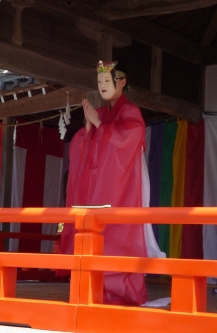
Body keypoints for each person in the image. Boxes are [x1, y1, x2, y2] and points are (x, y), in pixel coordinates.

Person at [59, 60, 162, 306]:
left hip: (124, 182)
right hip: (98, 185)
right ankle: (94, 287)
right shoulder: (101, 112)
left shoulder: (130, 111)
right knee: (96, 231)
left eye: (107, 80)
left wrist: (97, 124)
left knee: (119, 233)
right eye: (99, 82)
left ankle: (123, 291)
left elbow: (129, 139)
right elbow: (81, 147)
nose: (102, 85)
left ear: (122, 82)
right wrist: (87, 127)